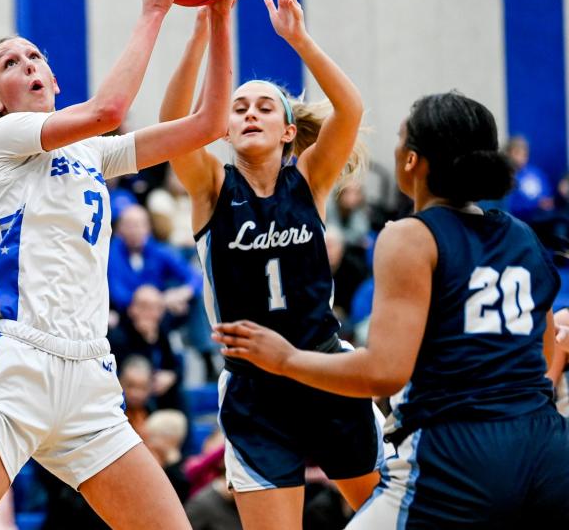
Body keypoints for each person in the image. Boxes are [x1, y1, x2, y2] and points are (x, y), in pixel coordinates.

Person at [0, 0, 235, 530]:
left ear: (54, 78)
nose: (28, 66)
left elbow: (209, 124)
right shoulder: (4, 141)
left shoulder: (95, 154)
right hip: (19, 362)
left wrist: (217, 17)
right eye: (11, 64)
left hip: (91, 375)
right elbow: (110, 107)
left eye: (35, 57)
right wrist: (153, 9)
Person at [214, 92, 569, 527]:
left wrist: (285, 359)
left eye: (400, 138)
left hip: (458, 453)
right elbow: (548, 356)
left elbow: (384, 372)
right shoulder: (523, 235)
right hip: (547, 448)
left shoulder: (409, 236)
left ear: (410, 161)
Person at [159, 0, 380, 529]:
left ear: (287, 131)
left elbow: (349, 111)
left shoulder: (309, 180)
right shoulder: (211, 187)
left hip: (326, 368)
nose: (250, 112)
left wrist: (301, 41)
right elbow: (170, 124)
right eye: (238, 107)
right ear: (222, 129)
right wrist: (201, 37)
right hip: (254, 389)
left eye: (264, 106)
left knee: (398, 517)